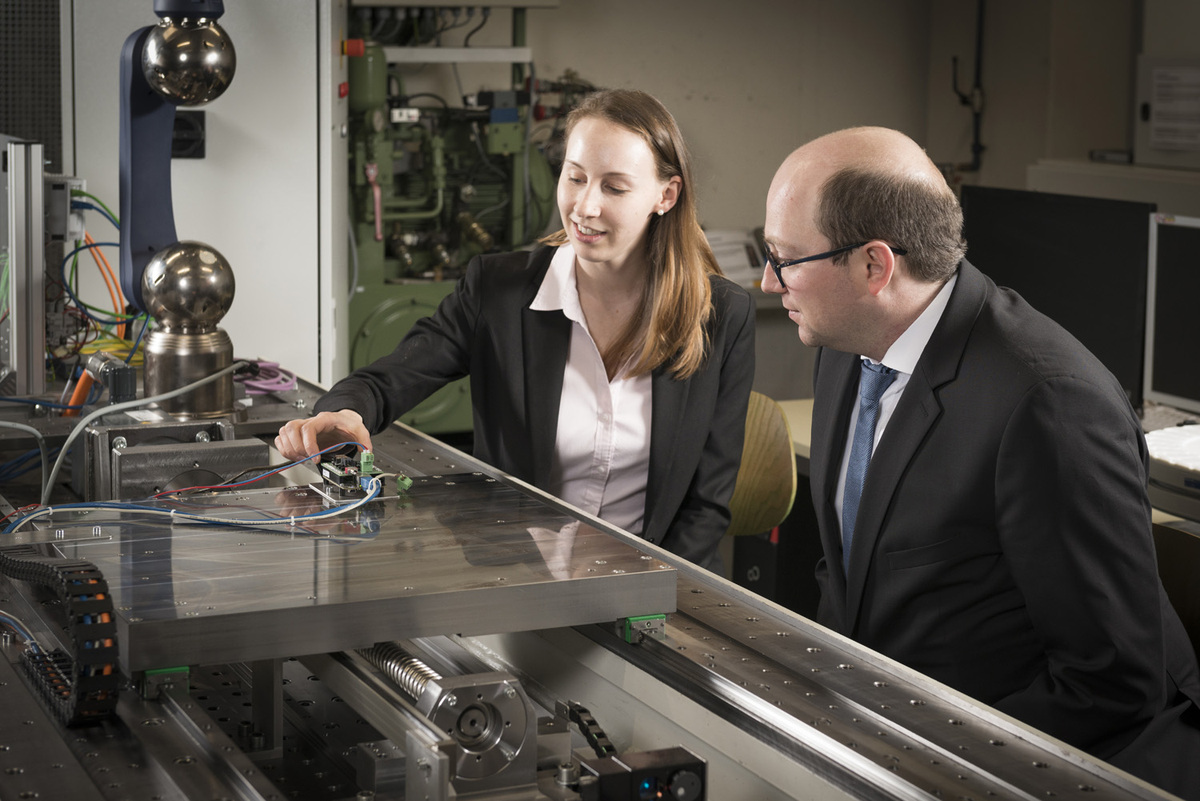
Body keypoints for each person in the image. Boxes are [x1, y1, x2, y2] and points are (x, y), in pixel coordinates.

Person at [760, 125, 1200, 797]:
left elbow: (1112, 682)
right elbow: (855, 574)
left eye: (785, 258)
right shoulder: (847, 346)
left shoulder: (1051, 404)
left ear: (874, 266)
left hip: (1029, 764)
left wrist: (917, 758)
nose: (769, 281)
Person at [275, 88, 755, 573]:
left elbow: (706, 505)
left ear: (665, 196)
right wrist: (342, 414)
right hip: (521, 576)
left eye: (614, 188)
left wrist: (649, 592)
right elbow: (390, 379)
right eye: (575, 178)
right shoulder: (498, 291)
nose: (584, 207)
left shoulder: (721, 315)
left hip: (656, 586)